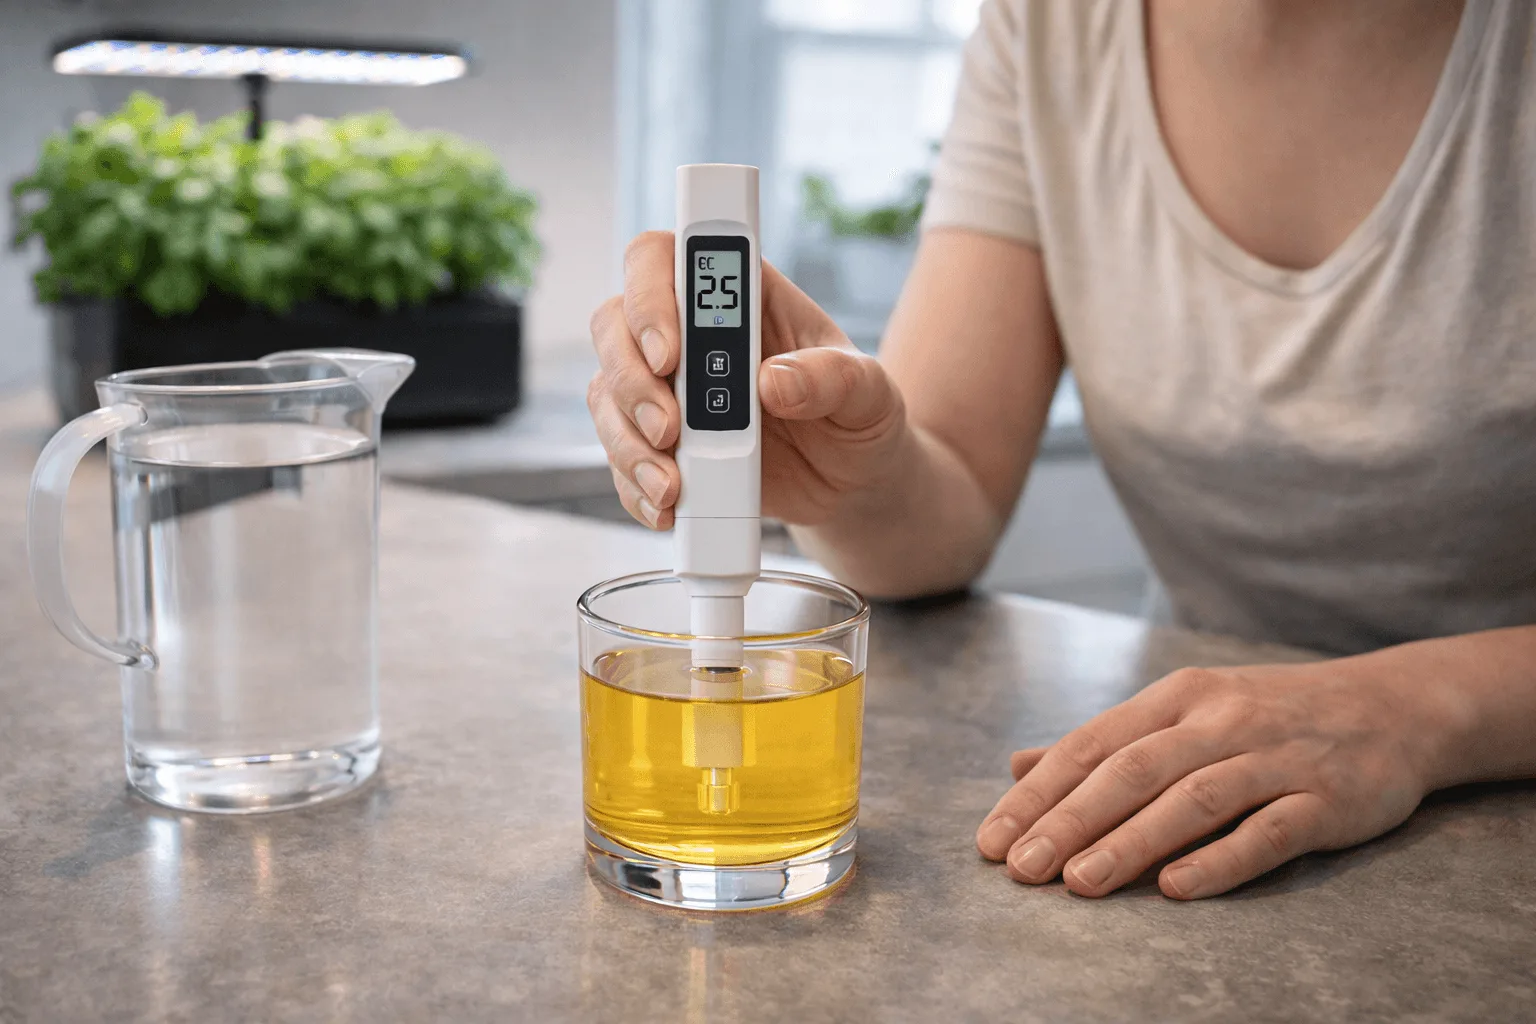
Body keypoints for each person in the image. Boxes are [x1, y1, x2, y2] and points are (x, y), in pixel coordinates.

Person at [586, 0, 1535, 899]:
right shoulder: (1050, 27)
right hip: (1201, 764)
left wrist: (1416, 707)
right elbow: (941, 509)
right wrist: (849, 480)